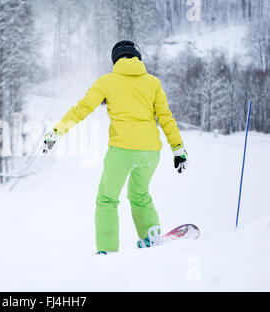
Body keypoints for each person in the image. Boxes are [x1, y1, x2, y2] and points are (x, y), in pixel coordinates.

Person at [42, 40, 188, 254]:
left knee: (107, 199)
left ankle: (107, 250)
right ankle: (151, 236)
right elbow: (166, 117)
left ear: (115, 60)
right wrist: (178, 150)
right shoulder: (153, 83)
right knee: (140, 195)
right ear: (138, 57)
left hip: (122, 151)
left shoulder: (107, 81)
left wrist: (57, 132)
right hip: (151, 152)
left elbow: (82, 109)